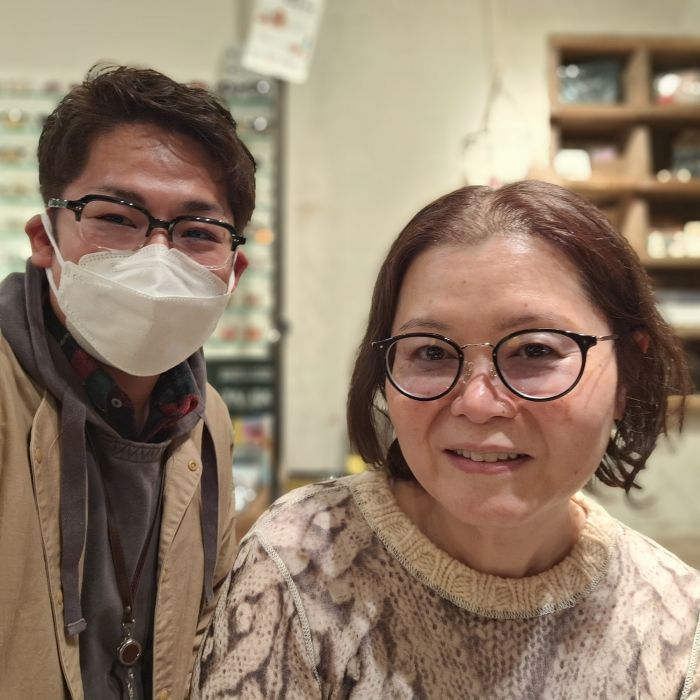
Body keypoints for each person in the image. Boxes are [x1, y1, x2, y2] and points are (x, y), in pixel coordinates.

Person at [194, 180, 700, 699]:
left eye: (534, 351)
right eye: (432, 353)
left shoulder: (678, 630)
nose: (477, 403)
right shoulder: (302, 564)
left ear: (628, 372)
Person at [0, 65, 256, 699]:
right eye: (117, 218)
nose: (156, 259)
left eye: (197, 233)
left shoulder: (207, 420)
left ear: (233, 271)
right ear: (43, 238)